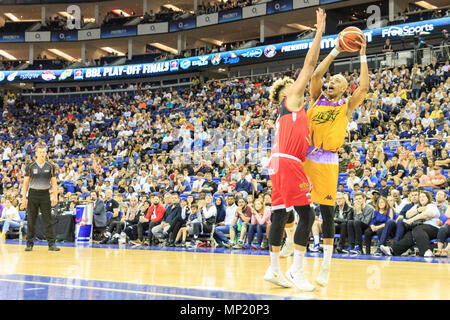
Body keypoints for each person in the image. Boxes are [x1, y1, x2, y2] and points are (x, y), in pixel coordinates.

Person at [265, 8, 326, 292]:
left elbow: (315, 75)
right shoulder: (291, 100)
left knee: (279, 214)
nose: (297, 85)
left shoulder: (287, 112)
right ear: (286, 94)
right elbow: (310, 64)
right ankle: (297, 270)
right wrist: (319, 33)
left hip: (276, 163)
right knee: (308, 215)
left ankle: (274, 268)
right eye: (293, 86)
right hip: (288, 163)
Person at [303, 25, 369, 285]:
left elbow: (363, 88)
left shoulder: (346, 105)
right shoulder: (316, 98)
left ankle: (326, 265)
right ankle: (290, 249)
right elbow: (316, 74)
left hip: (328, 162)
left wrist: (362, 54)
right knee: (298, 208)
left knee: (326, 213)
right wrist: (336, 50)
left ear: (344, 90)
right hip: (306, 157)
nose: (331, 82)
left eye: (338, 81)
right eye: (332, 80)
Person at [21, 143, 60, 251]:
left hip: (45, 194)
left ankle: (51, 244)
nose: (42, 154)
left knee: (48, 220)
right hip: (33, 194)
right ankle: (29, 244)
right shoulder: (30, 166)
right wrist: (24, 198)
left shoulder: (50, 166)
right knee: (31, 220)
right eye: (40, 152)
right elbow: (25, 183)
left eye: (44, 152)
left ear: (46, 153)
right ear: (36, 153)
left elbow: (54, 183)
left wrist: (55, 196)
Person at [380, 191, 441, 257]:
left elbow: (428, 214)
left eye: (424, 196)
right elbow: (407, 214)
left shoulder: (431, 205)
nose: (421, 198)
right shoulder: (417, 206)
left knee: (417, 229)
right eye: (420, 197)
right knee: (408, 236)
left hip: (433, 228)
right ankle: (392, 250)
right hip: (419, 230)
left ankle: (426, 251)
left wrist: (412, 219)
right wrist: (418, 210)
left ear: (428, 198)